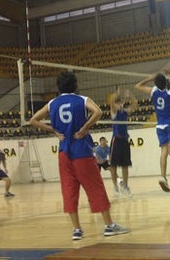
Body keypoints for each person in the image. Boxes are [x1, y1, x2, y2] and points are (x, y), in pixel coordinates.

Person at [29, 71, 129, 240]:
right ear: (75, 85)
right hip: (81, 151)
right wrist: (84, 128)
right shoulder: (82, 100)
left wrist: (53, 130)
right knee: (95, 187)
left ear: (58, 87)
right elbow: (97, 112)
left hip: (64, 153)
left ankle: (76, 230)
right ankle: (109, 226)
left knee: (68, 190)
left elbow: (33, 120)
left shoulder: (52, 103)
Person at [134, 69, 170, 192]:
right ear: (166, 83)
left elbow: (137, 86)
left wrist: (150, 78)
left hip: (159, 126)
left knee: (164, 151)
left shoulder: (153, 92)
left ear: (156, 83)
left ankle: (163, 177)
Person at [108, 90, 132, 196]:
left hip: (124, 141)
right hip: (116, 141)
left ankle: (125, 186)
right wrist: (117, 94)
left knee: (125, 165)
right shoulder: (114, 112)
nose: (120, 105)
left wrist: (130, 96)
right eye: (118, 103)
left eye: (121, 103)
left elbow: (135, 104)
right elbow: (111, 102)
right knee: (113, 166)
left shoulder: (124, 112)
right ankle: (115, 187)